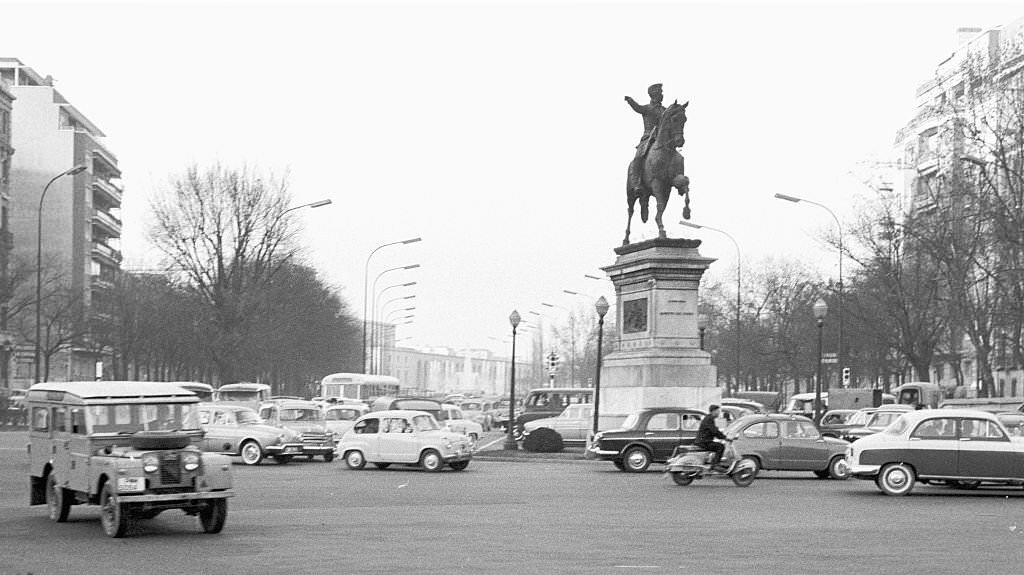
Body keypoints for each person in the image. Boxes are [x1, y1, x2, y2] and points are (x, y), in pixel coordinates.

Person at [625, 83, 666, 193]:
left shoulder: (664, 110)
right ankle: (636, 182)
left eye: (661, 93)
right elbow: (637, 107)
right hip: (648, 138)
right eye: (660, 93)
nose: (662, 95)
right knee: (638, 157)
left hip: (662, 139)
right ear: (653, 95)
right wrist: (630, 100)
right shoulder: (647, 108)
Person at [694, 404, 727, 468]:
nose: (719, 412)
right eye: (718, 411)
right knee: (720, 447)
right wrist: (724, 437)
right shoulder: (709, 419)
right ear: (713, 411)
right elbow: (714, 430)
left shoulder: (709, 418)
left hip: (704, 440)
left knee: (718, 445)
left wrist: (721, 436)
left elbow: (714, 430)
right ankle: (715, 465)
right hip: (704, 442)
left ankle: (713, 462)